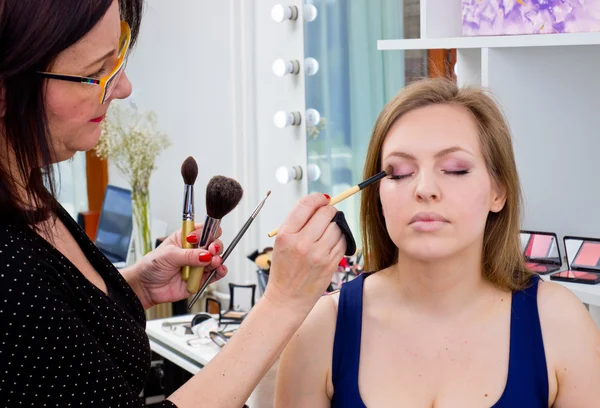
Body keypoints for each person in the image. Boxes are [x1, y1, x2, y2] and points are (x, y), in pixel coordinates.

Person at [0, 0, 346, 407]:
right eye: (95, 73)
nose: (124, 87)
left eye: (119, 56)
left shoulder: (24, 190)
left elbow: (51, 338)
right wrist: (282, 303)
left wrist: (132, 287)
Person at [275, 78, 600, 407]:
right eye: (400, 173)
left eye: (455, 169)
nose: (424, 188)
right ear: (377, 196)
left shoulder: (560, 324)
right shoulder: (320, 329)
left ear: (498, 191)